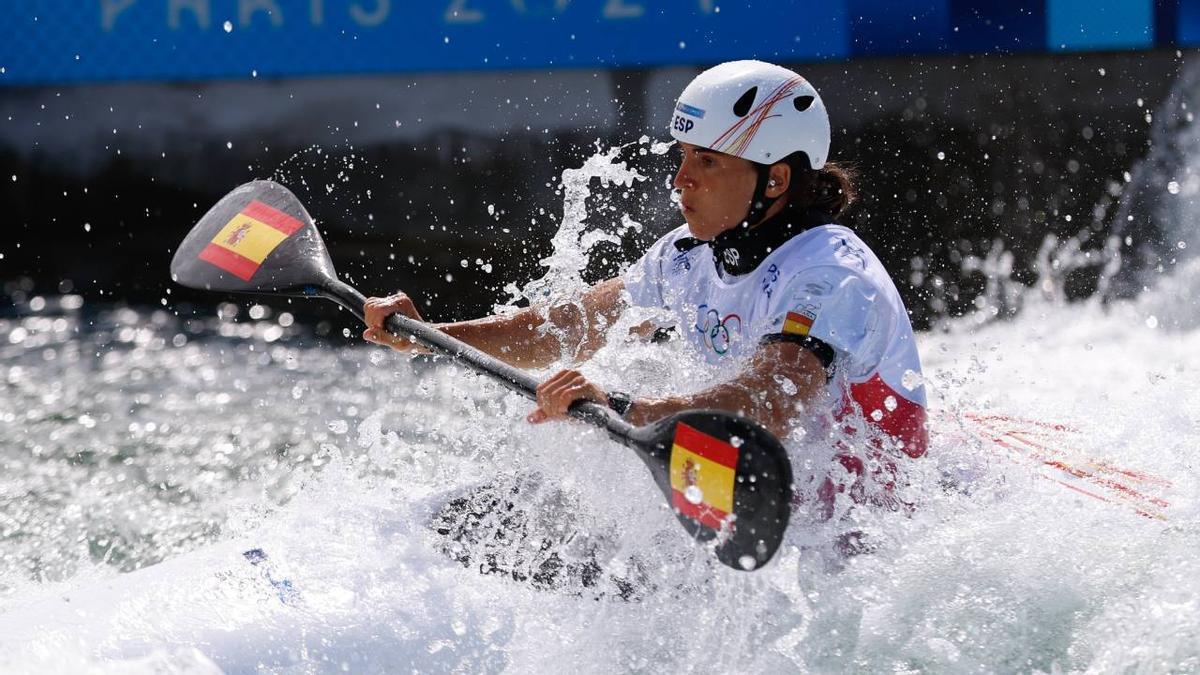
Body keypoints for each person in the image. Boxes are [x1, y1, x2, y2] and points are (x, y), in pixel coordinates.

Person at [364, 60, 928, 510]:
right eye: (684, 157)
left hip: (861, 529)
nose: (681, 180)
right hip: (758, 500)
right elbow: (571, 325)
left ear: (776, 177)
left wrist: (626, 407)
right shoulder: (688, 254)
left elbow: (770, 401)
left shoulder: (831, 277)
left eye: (707, 162)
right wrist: (431, 334)